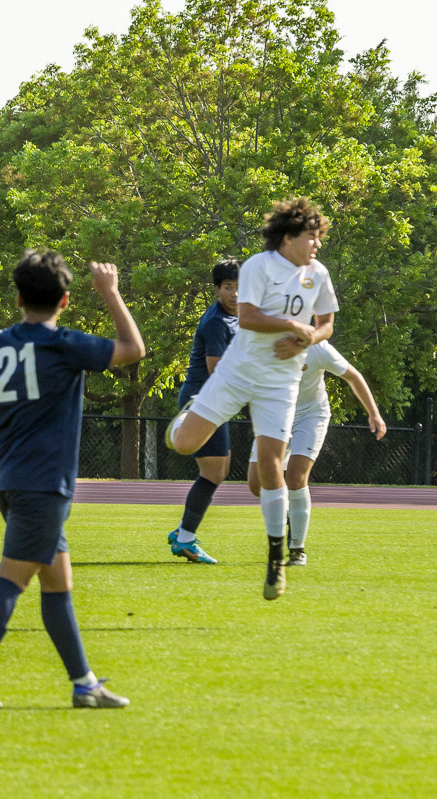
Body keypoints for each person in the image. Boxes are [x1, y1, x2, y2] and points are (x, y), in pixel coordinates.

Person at [0, 251, 145, 710]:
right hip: (44, 483)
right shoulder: (65, 345)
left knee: (58, 583)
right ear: (64, 300)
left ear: (18, 296)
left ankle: (85, 685)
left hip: (9, 479)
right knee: (11, 582)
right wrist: (111, 293)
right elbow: (133, 349)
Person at [167, 197, 339, 600]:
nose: (316, 245)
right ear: (289, 237)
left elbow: (327, 323)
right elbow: (247, 318)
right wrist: (294, 325)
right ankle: (183, 420)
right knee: (184, 443)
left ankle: (277, 558)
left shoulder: (318, 273)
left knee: (271, 466)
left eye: (318, 238)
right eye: (311, 237)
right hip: (237, 371)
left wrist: (311, 336)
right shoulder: (259, 266)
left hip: (280, 382)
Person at [247, 341, 386, 565]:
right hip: (274, 416)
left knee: (295, 476)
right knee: (256, 483)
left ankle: (297, 549)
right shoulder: (262, 343)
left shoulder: (318, 348)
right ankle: (288, 512)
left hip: (310, 416)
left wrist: (374, 413)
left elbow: (353, 375)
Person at [167, 260, 240, 564]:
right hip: (203, 399)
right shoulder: (216, 322)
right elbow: (216, 370)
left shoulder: (242, 315)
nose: (235, 293)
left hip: (217, 400)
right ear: (216, 290)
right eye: (228, 288)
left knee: (219, 471)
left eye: (240, 287)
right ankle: (185, 538)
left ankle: (183, 533)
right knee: (212, 472)